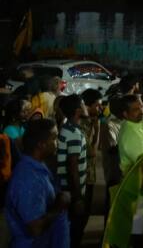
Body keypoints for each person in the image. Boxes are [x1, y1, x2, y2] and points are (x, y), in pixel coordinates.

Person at [5, 119, 70, 248]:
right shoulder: (28, 178)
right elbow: (36, 227)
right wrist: (59, 206)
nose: (58, 143)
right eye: (54, 138)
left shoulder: (38, 166)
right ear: (41, 144)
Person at [117, 95, 143, 247]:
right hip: (136, 190)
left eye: (141, 107)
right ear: (125, 114)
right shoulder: (131, 134)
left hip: (142, 189)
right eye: (135, 110)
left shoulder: (135, 126)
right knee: (137, 237)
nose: (141, 111)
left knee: (139, 234)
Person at [56, 95, 88, 248]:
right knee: (73, 233)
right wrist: (78, 198)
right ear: (77, 111)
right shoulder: (73, 134)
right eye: (83, 105)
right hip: (71, 192)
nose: (86, 107)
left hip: (68, 190)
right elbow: (72, 168)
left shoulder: (68, 128)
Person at [79, 89, 102, 225]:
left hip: (89, 174)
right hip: (83, 176)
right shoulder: (84, 125)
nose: (100, 108)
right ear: (88, 106)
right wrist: (97, 130)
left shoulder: (91, 122)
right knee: (82, 216)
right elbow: (93, 151)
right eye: (97, 105)